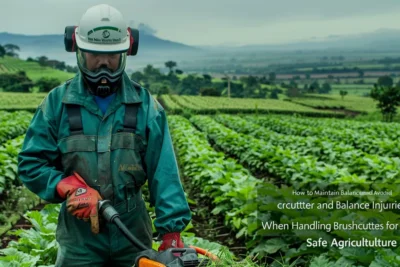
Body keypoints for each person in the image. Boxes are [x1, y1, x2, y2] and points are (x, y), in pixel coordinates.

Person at [17, 4, 191, 266]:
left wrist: (172, 231)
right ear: (77, 50)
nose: (103, 64)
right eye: (94, 54)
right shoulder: (57, 104)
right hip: (79, 235)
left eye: (112, 56)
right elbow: (31, 164)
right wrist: (68, 187)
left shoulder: (145, 106)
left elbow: (163, 172)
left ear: (126, 51)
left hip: (131, 225)